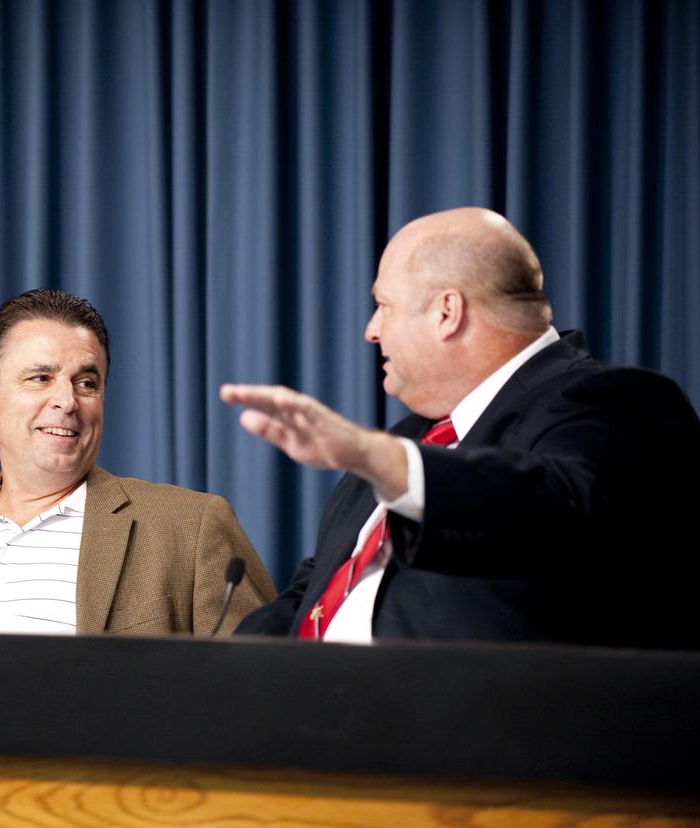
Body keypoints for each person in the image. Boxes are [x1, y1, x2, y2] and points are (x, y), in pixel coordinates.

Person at [222, 207, 700, 648]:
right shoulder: (405, 439)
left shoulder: (617, 401)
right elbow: (313, 595)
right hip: (312, 705)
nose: (371, 330)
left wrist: (378, 459)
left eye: (383, 305)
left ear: (446, 313)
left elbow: (556, 510)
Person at [0, 289, 274, 635]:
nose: (67, 400)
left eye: (86, 383)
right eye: (41, 378)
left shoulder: (190, 528)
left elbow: (258, 687)